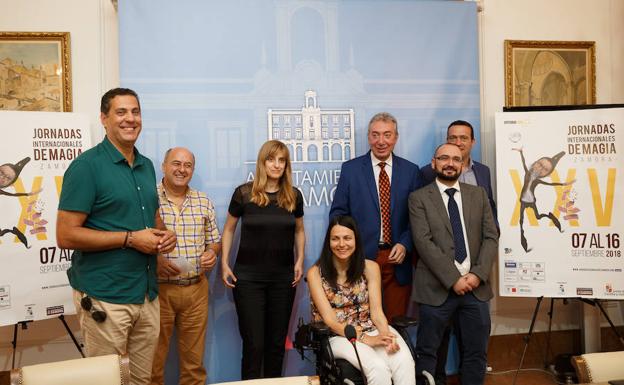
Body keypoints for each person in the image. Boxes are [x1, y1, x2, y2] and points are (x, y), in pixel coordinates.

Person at [56, 87, 176, 385]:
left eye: (135, 112)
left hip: (146, 295)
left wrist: (162, 239)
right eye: (121, 112)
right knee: (105, 381)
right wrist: (130, 239)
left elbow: (151, 216)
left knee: (140, 381)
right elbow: (66, 235)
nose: (130, 119)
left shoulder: (146, 165)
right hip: (105, 297)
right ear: (104, 119)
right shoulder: (86, 167)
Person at [408, 143, 498, 385]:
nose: (450, 163)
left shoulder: (478, 195)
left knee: (476, 353)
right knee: (428, 353)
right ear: (433, 163)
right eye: (444, 158)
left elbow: (491, 236)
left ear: (462, 163)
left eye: (456, 159)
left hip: (475, 289)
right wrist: (453, 279)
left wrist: (477, 275)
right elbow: (423, 242)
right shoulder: (418, 199)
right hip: (436, 289)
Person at [221, 140, 305, 379]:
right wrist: (225, 262)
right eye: (271, 159)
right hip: (247, 280)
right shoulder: (244, 194)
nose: (276, 165)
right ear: (262, 162)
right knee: (254, 345)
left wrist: (299, 261)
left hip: (283, 279)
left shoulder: (293, 196)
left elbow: (299, 230)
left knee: (276, 346)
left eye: (282, 160)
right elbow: (228, 229)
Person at [330, 112, 421, 321]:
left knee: (394, 325)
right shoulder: (351, 170)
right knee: (362, 322)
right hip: (360, 259)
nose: (381, 141)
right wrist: (351, 248)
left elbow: (418, 219)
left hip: (397, 260)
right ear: (369, 137)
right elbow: (338, 214)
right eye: (375, 135)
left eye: (387, 135)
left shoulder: (411, 171)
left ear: (396, 138)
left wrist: (405, 244)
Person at [308, 215, 415, 385]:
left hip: (370, 327)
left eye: (347, 238)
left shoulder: (370, 267)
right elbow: (331, 321)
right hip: (339, 335)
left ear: (356, 240)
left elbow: (377, 312)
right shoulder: (315, 273)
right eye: (335, 239)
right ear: (328, 243)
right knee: (377, 368)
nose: (341, 244)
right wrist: (367, 339)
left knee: (404, 362)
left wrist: (386, 334)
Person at [150, 147, 221, 385]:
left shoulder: (203, 201)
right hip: (158, 292)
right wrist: (156, 259)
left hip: (196, 291)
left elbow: (214, 241)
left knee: (194, 367)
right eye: (176, 163)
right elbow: (135, 238)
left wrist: (212, 252)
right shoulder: (148, 198)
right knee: (152, 365)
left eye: (188, 165)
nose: (182, 169)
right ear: (164, 166)